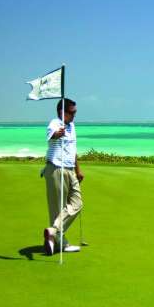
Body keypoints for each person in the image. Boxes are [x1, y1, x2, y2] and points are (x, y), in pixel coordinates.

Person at [42, 98, 85, 255]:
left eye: (75, 112)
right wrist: (56, 134)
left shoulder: (72, 126)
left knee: (77, 203)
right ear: (62, 112)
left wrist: (78, 170)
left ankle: (52, 232)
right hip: (56, 168)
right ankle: (61, 243)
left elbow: (73, 150)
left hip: (70, 169)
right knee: (57, 209)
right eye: (72, 112)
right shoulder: (54, 123)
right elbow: (51, 135)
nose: (74, 115)